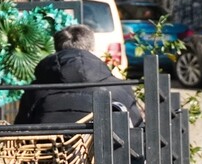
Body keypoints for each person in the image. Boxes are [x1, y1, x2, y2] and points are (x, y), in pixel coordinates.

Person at [14, 24, 143, 126]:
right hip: (105, 157)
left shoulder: (36, 90)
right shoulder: (118, 88)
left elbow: (21, 130)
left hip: (49, 157)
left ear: (57, 50)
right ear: (92, 49)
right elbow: (137, 131)